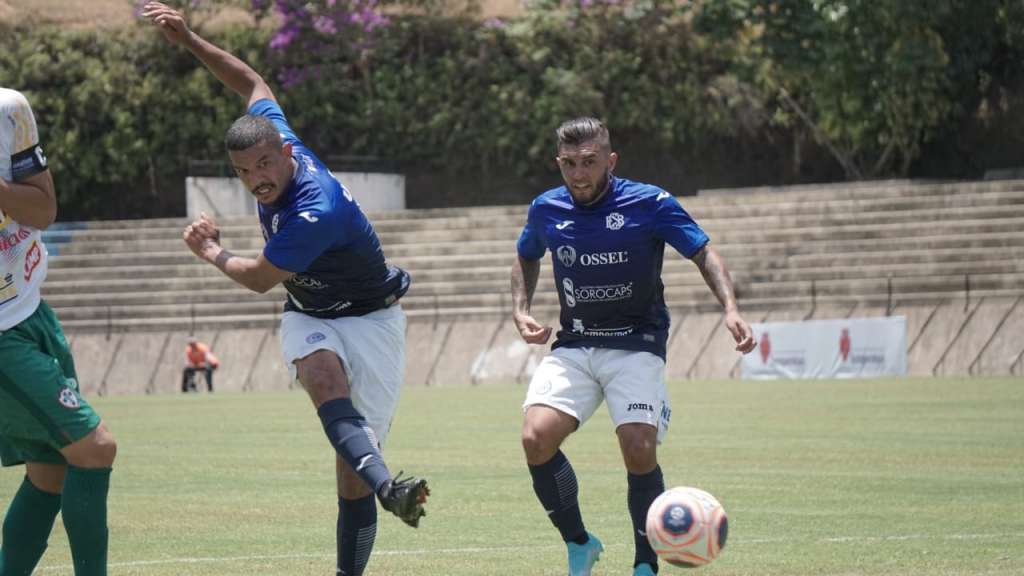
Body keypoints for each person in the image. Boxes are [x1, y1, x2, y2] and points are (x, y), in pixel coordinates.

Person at [142, 3, 428, 574]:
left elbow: (255, 279)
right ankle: (390, 487)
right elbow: (250, 81)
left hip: (373, 321)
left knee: (351, 473)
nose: (258, 180)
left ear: (288, 153)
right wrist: (191, 39)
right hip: (311, 313)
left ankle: (375, 501)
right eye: (245, 172)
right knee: (321, 377)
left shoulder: (312, 212)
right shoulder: (275, 139)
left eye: (266, 166)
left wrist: (210, 250)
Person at [511, 117, 757, 576]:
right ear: (558, 163)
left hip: (638, 342)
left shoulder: (650, 202)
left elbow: (702, 251)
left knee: (638, 445)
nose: (579, 174)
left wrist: (730, 308)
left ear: (611, 160)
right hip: (576, 343)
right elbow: (527, 253)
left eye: (589, 162)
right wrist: (521, 307)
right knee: (535, 438)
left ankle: (645, 565)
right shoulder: (546, 208)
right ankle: (579, 543)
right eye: (569, 164)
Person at [0, 87, 117, 575]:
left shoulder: (10, 109)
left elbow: (43, 209)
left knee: (50, 471)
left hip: (32, 312)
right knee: (95, 448)